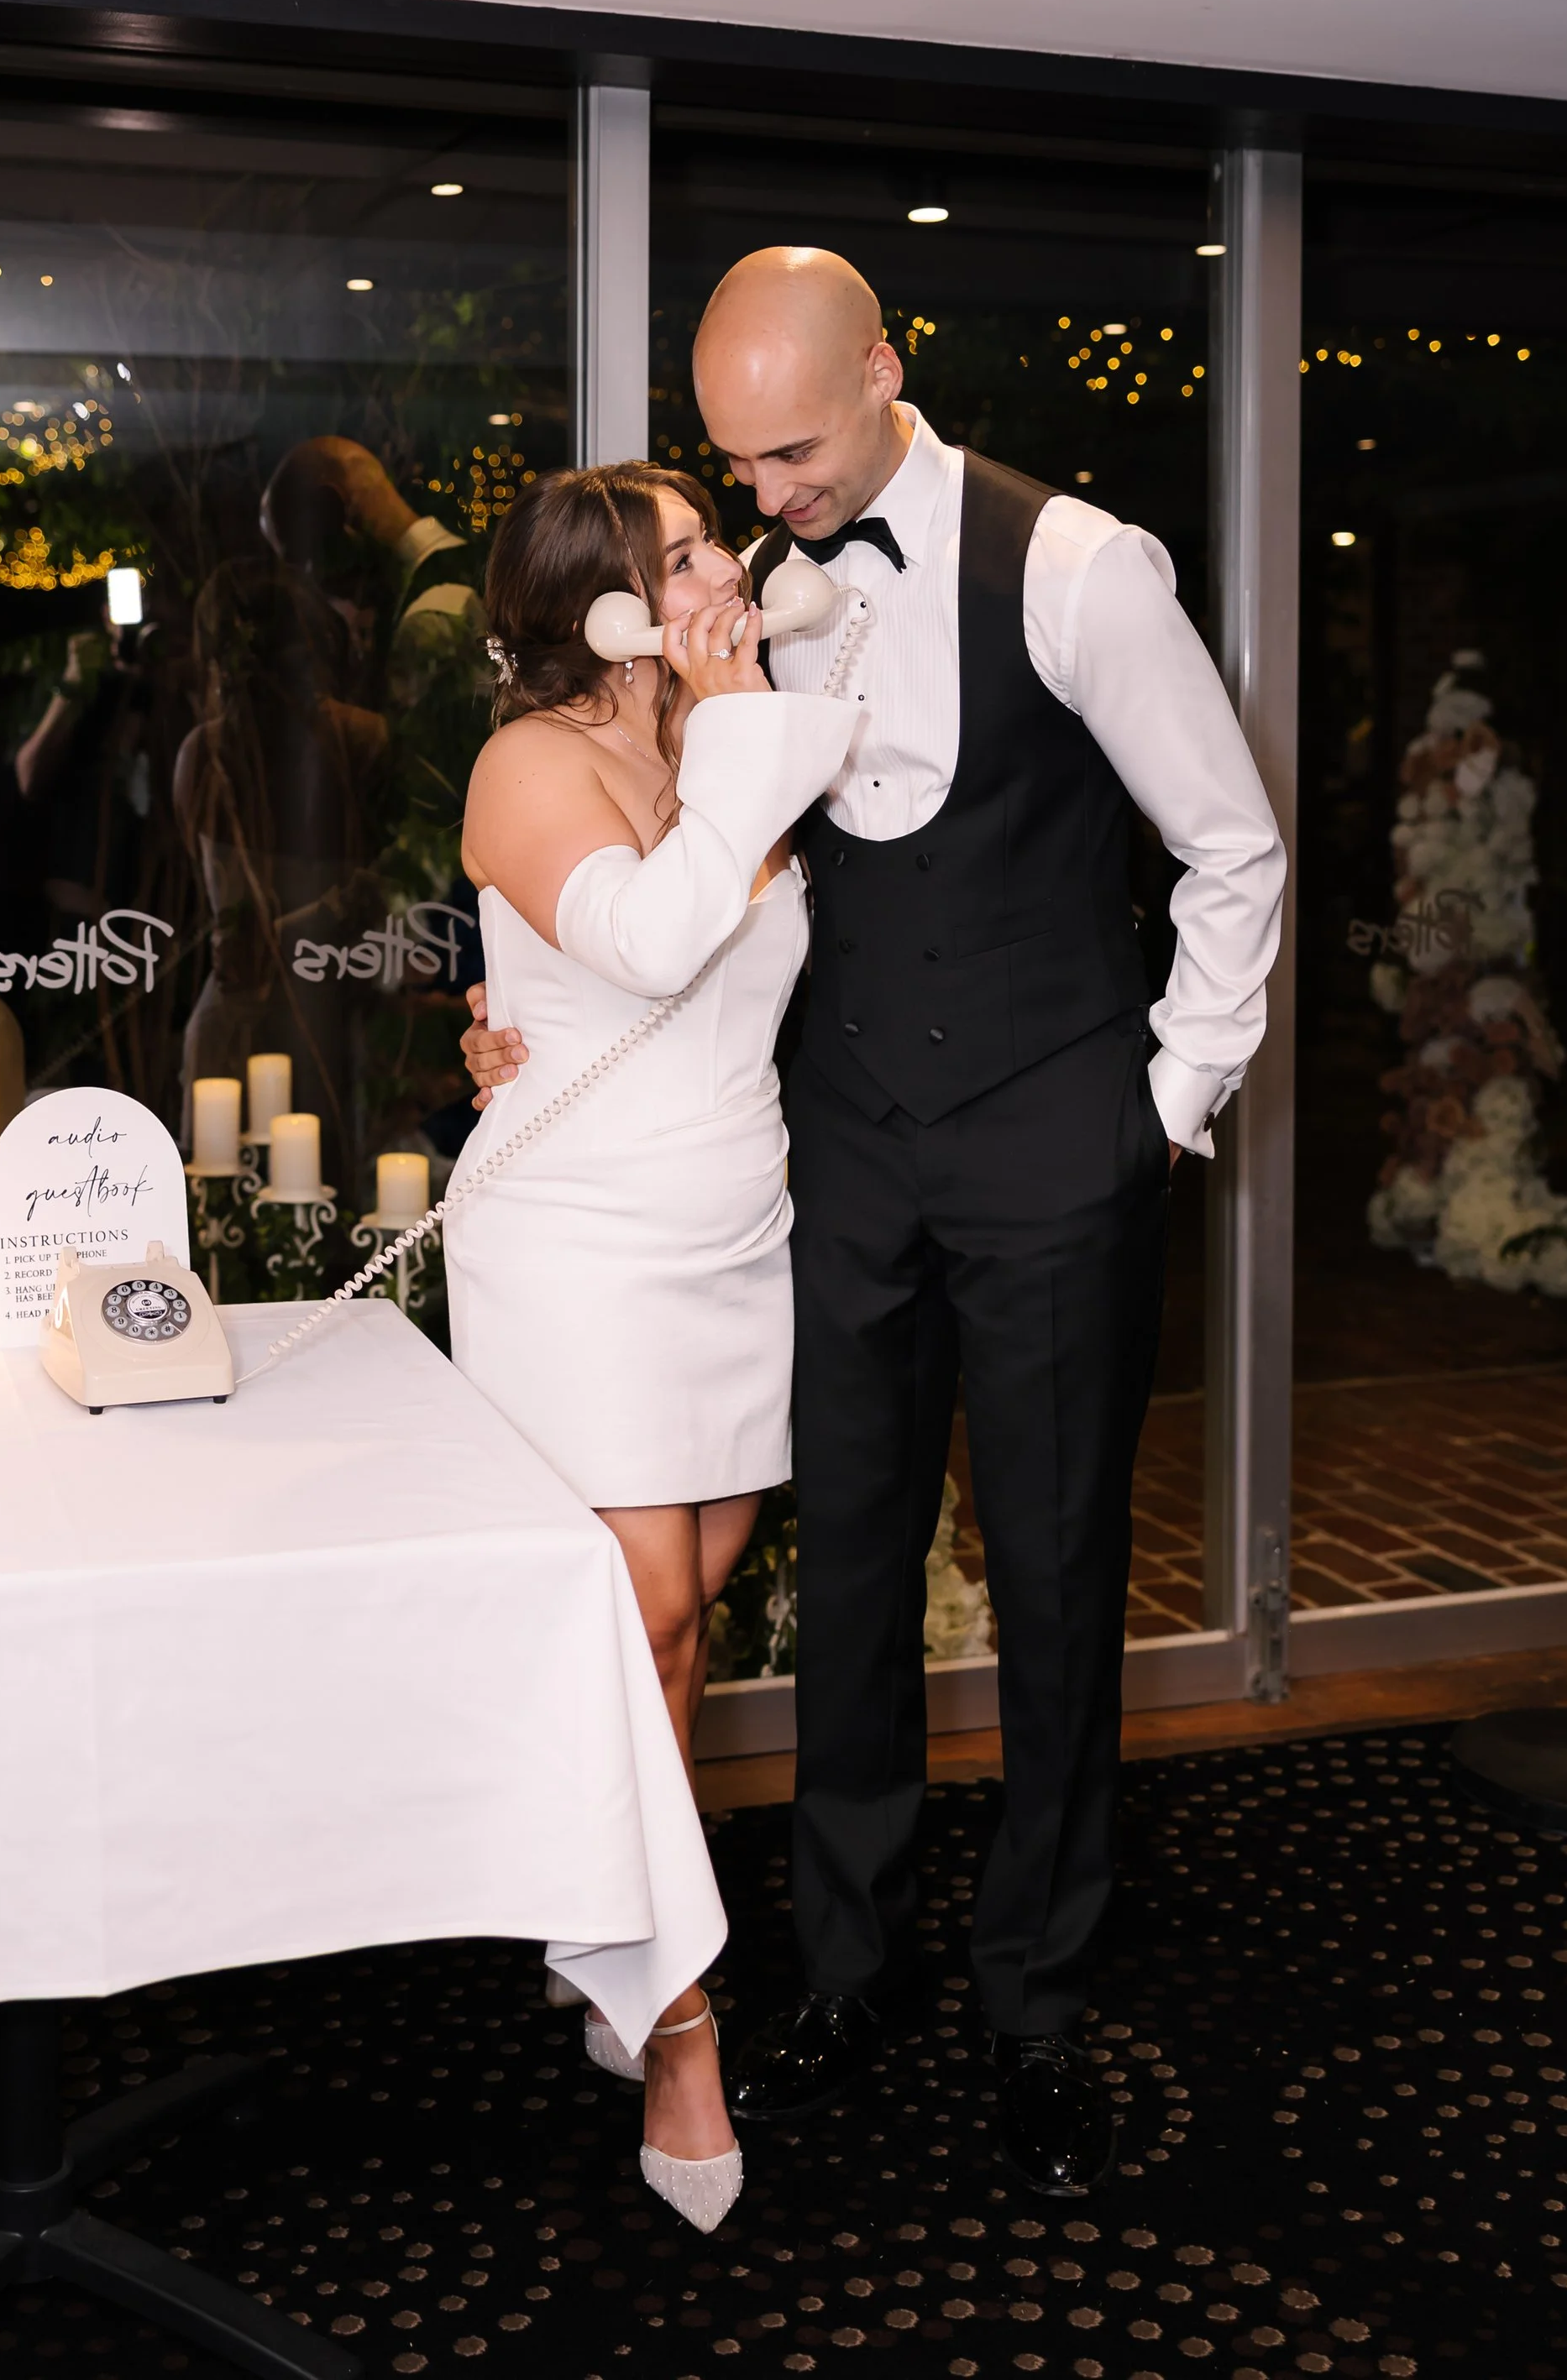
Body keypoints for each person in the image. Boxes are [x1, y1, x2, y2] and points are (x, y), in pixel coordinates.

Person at [466, 250, 1286, 2200]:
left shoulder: (1077, 567)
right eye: (732, 468)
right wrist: (506, 1016)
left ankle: (1034, 1999)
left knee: (1056, 1571)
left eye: (794, 451)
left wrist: (1154, 1115)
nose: (764, 502)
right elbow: (613, 875)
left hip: (1049, 1146)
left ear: (886, 374)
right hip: (828, 1161)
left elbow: (1227, 847)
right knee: (843, 1585)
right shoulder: (727, 629)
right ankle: (838, 1964)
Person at [450, 460, 854, 2232]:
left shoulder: (713, 746)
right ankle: (676, 2020)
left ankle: (601, 1925)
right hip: (577, 1239)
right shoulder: (532, 762)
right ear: (595, 606)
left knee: (691, 1615)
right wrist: (747, 711)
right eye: (681, 555)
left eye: (714, 543)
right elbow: (651, 933)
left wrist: (734, 719)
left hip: (728, 1229)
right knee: (648, 1617)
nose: (722, 569)